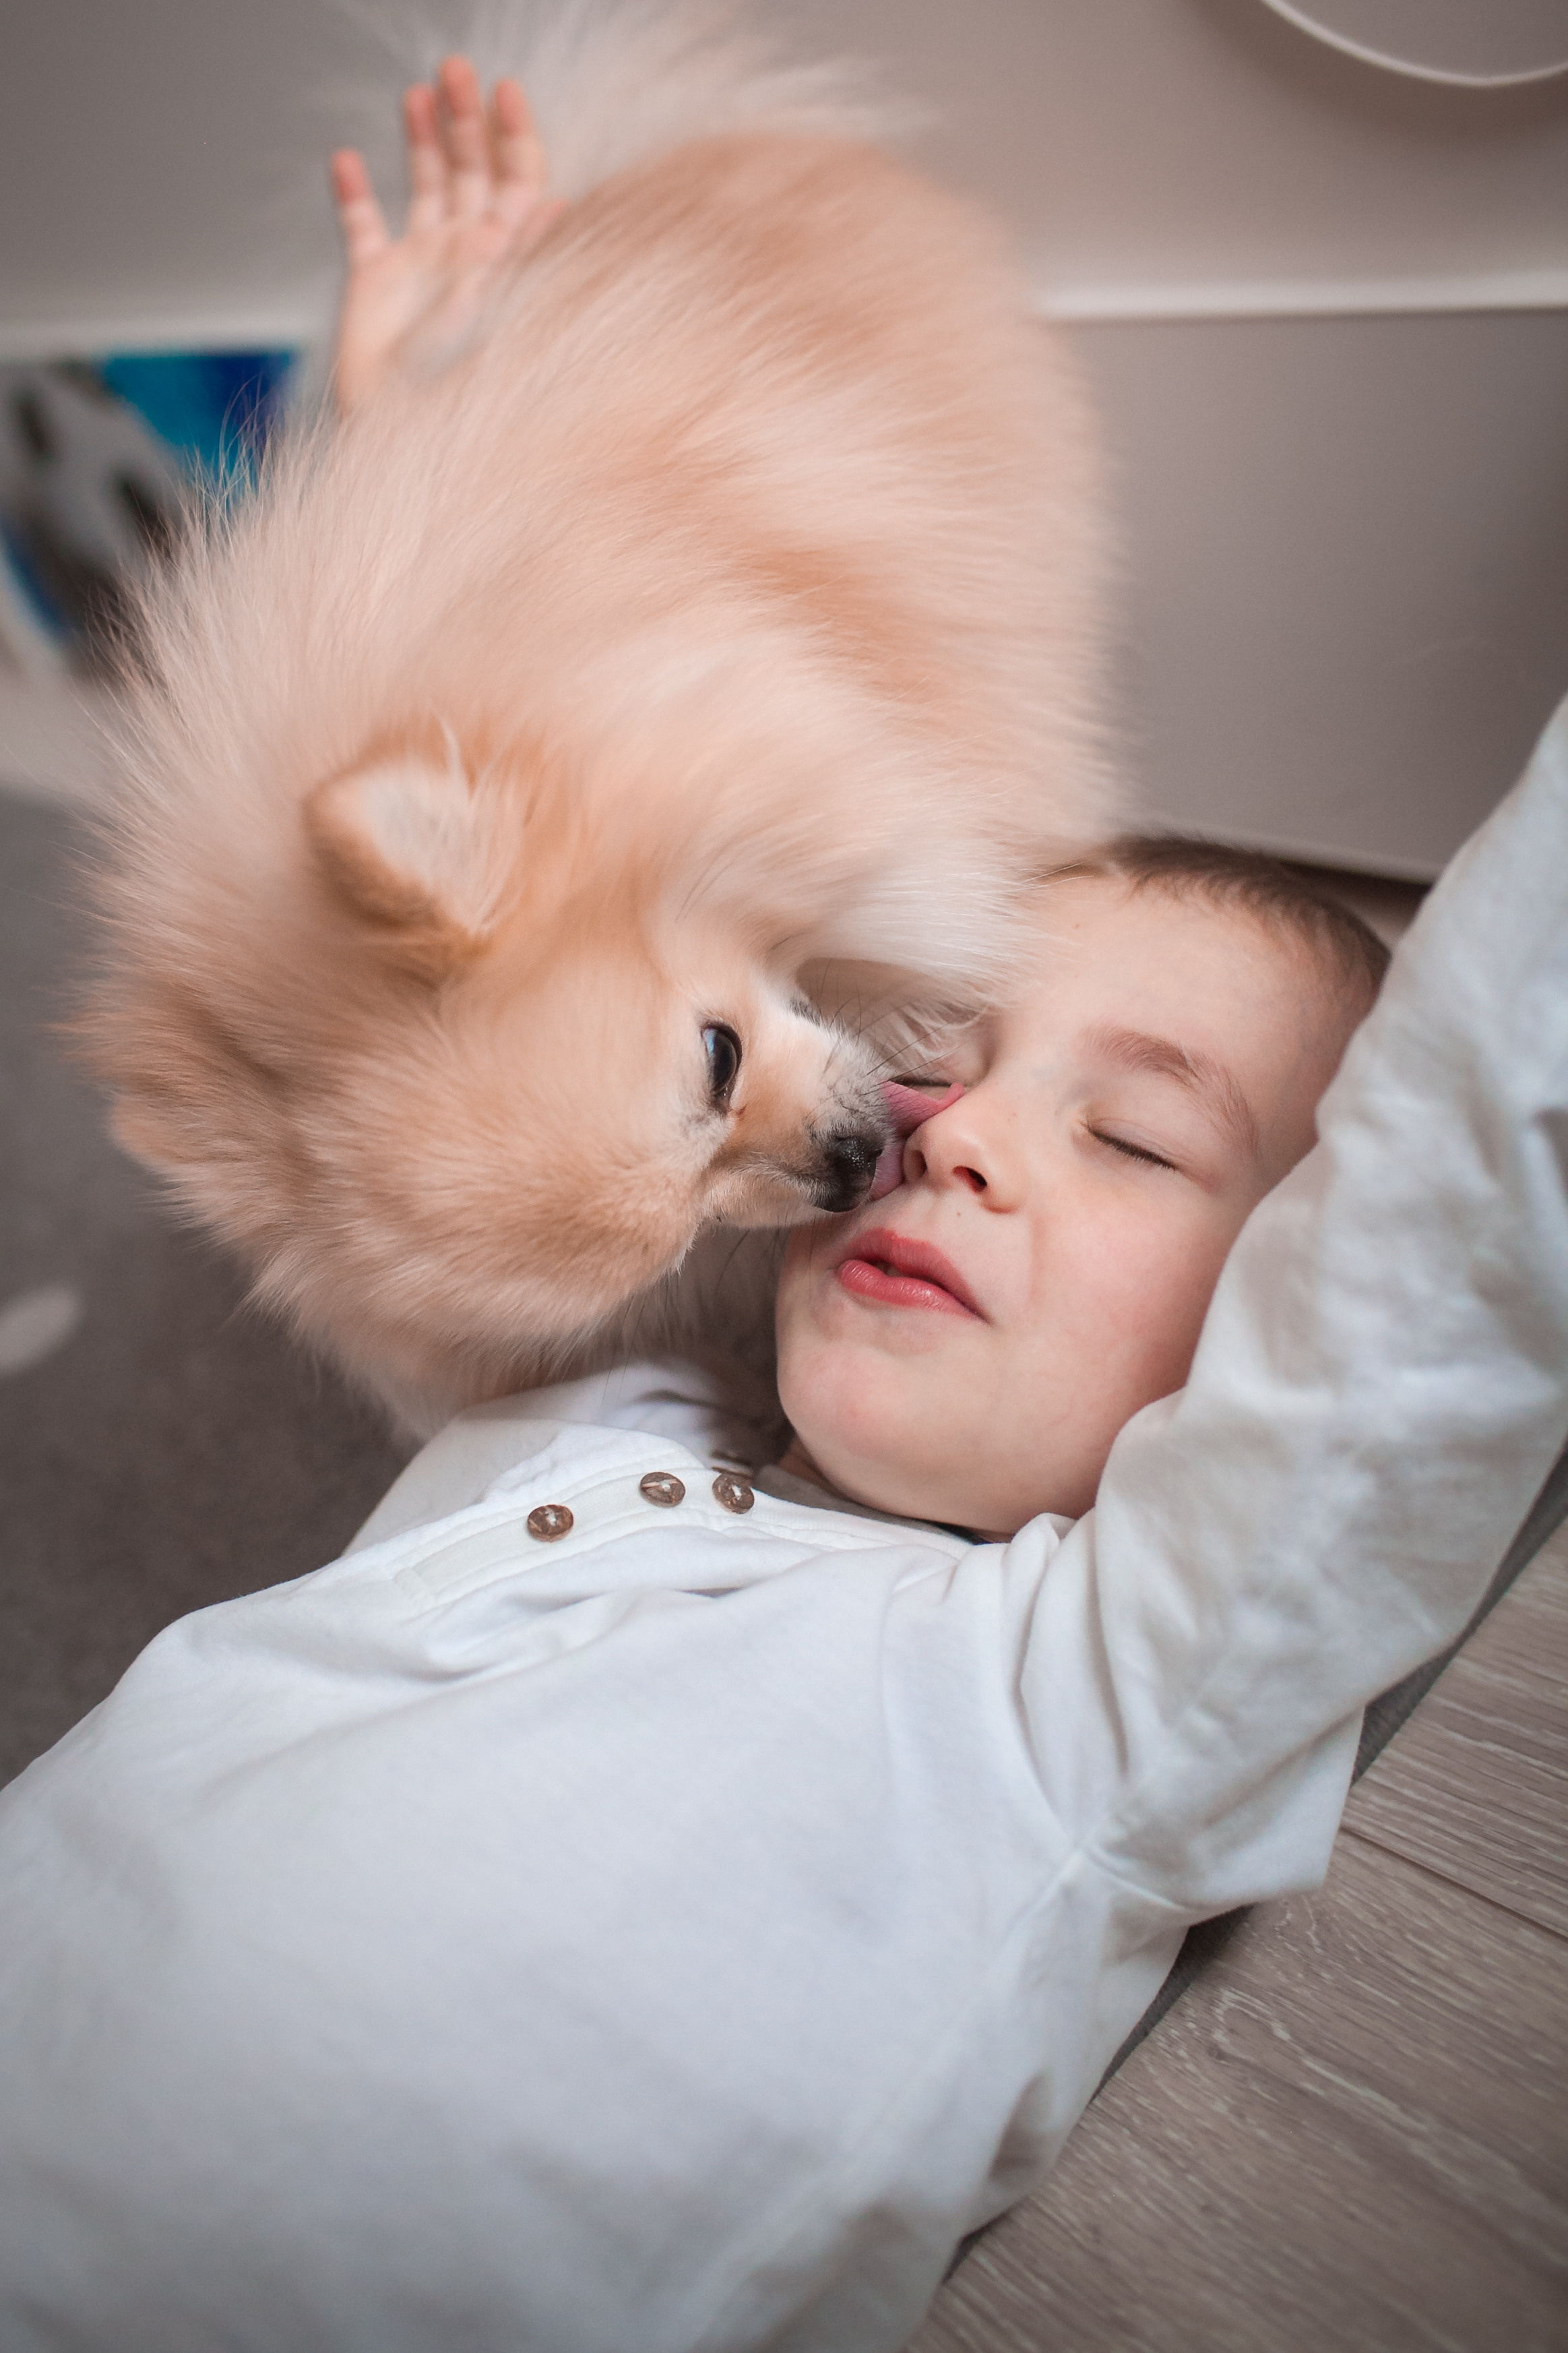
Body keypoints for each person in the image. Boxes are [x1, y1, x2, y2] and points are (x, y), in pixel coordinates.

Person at [0, 67, 1563, 2353]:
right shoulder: (634, 1369)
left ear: (1266, 1325)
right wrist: (404, 426)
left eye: (1133, 1141)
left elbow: (1467, 1196)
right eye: (950, 1053)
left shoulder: (1105, 1690)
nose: (939, 1131)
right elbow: (420, 1070)